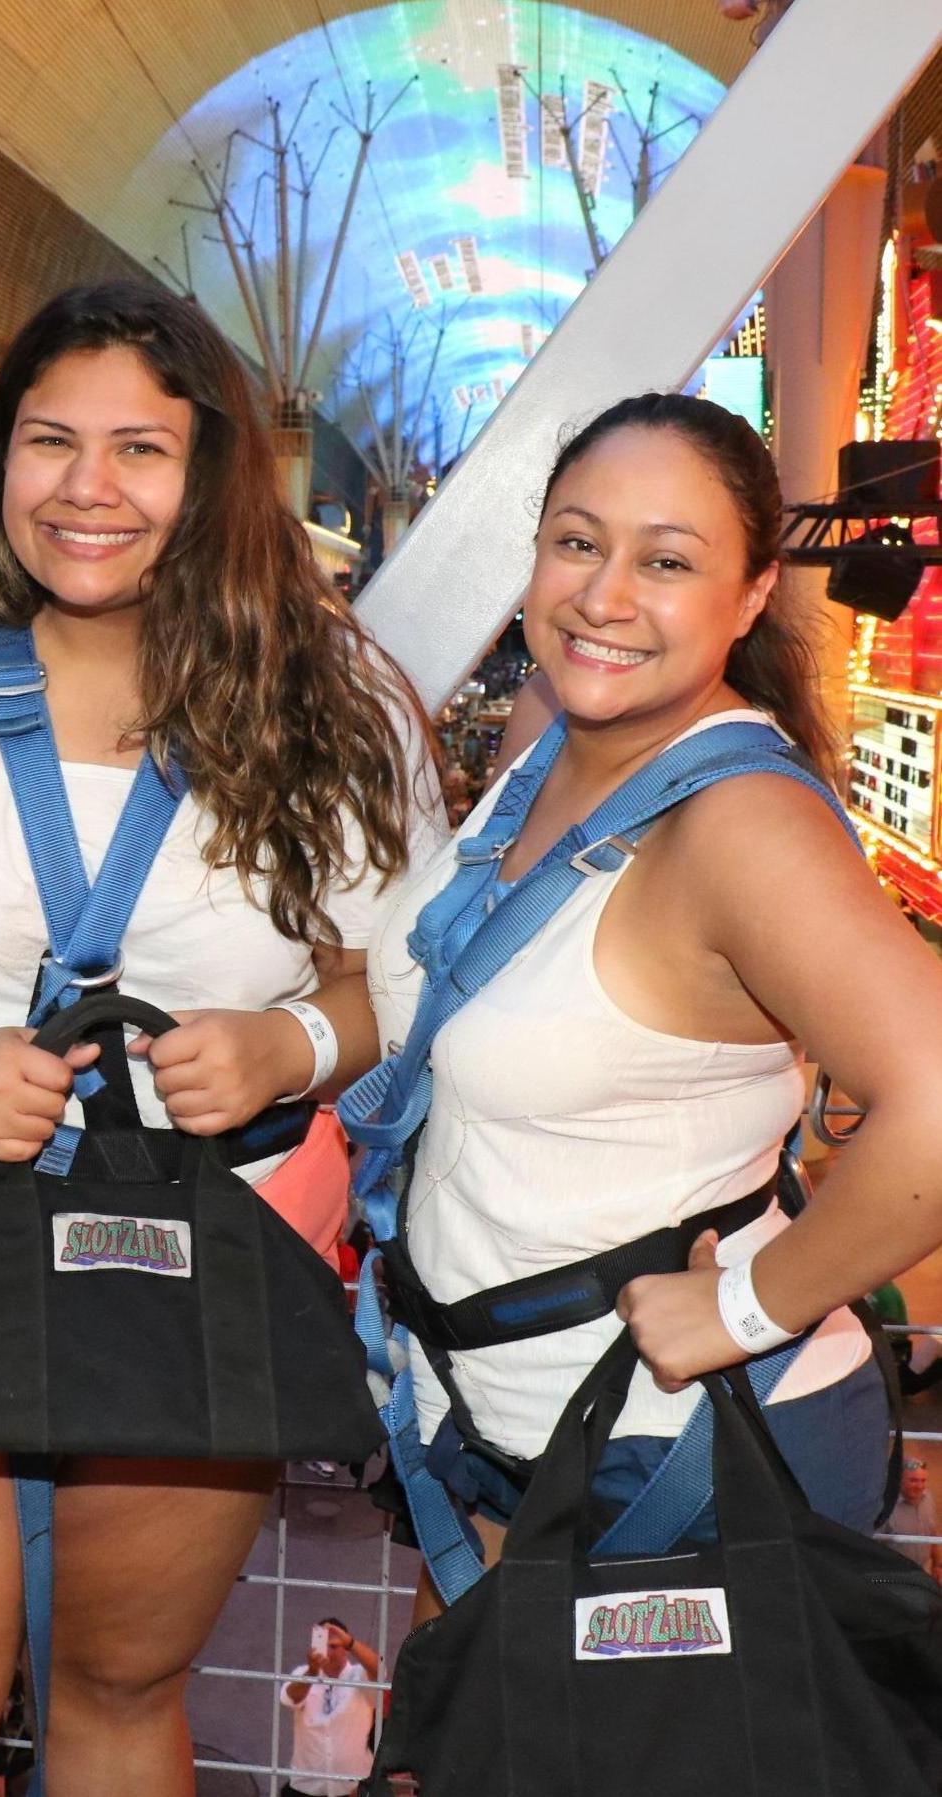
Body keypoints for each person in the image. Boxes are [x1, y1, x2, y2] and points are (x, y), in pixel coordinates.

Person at [0, 280, 441, 1797]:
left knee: (119, 1689)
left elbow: (398, 982)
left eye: (141, 446)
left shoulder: (326, 693)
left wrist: (285, 1049)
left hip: (199, 1267)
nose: (88, 487)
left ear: (210, 475)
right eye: (51, 440)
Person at [365, 393, 942, 1599]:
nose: (604, 595)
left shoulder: (739, 825)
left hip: (688, 1466)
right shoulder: (552, 744)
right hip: (508, 1442)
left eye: (666, 561)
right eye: (578, 541)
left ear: (746, 597)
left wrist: (743, 1306)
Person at [278, 1617, 380, 1797]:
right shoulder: (302, 1673)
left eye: (333, 1646)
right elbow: (289, 1698)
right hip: (306, 1786)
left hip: (352, 1788)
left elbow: (379, 1670)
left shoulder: (359, 1675)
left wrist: (350, 1642)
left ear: (346, 1650)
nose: (327, 1652)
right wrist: (312, 1673)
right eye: (321, 1645)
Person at [888, 1457, 942, 1580]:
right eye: (913, 1480)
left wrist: (937, 1565)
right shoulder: (885, 1506)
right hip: (893, 1578)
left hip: (921, 1575)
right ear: (899, 1480)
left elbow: (931, 1533)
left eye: (923, 1480)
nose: (920, 1486)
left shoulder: (927, 1498)